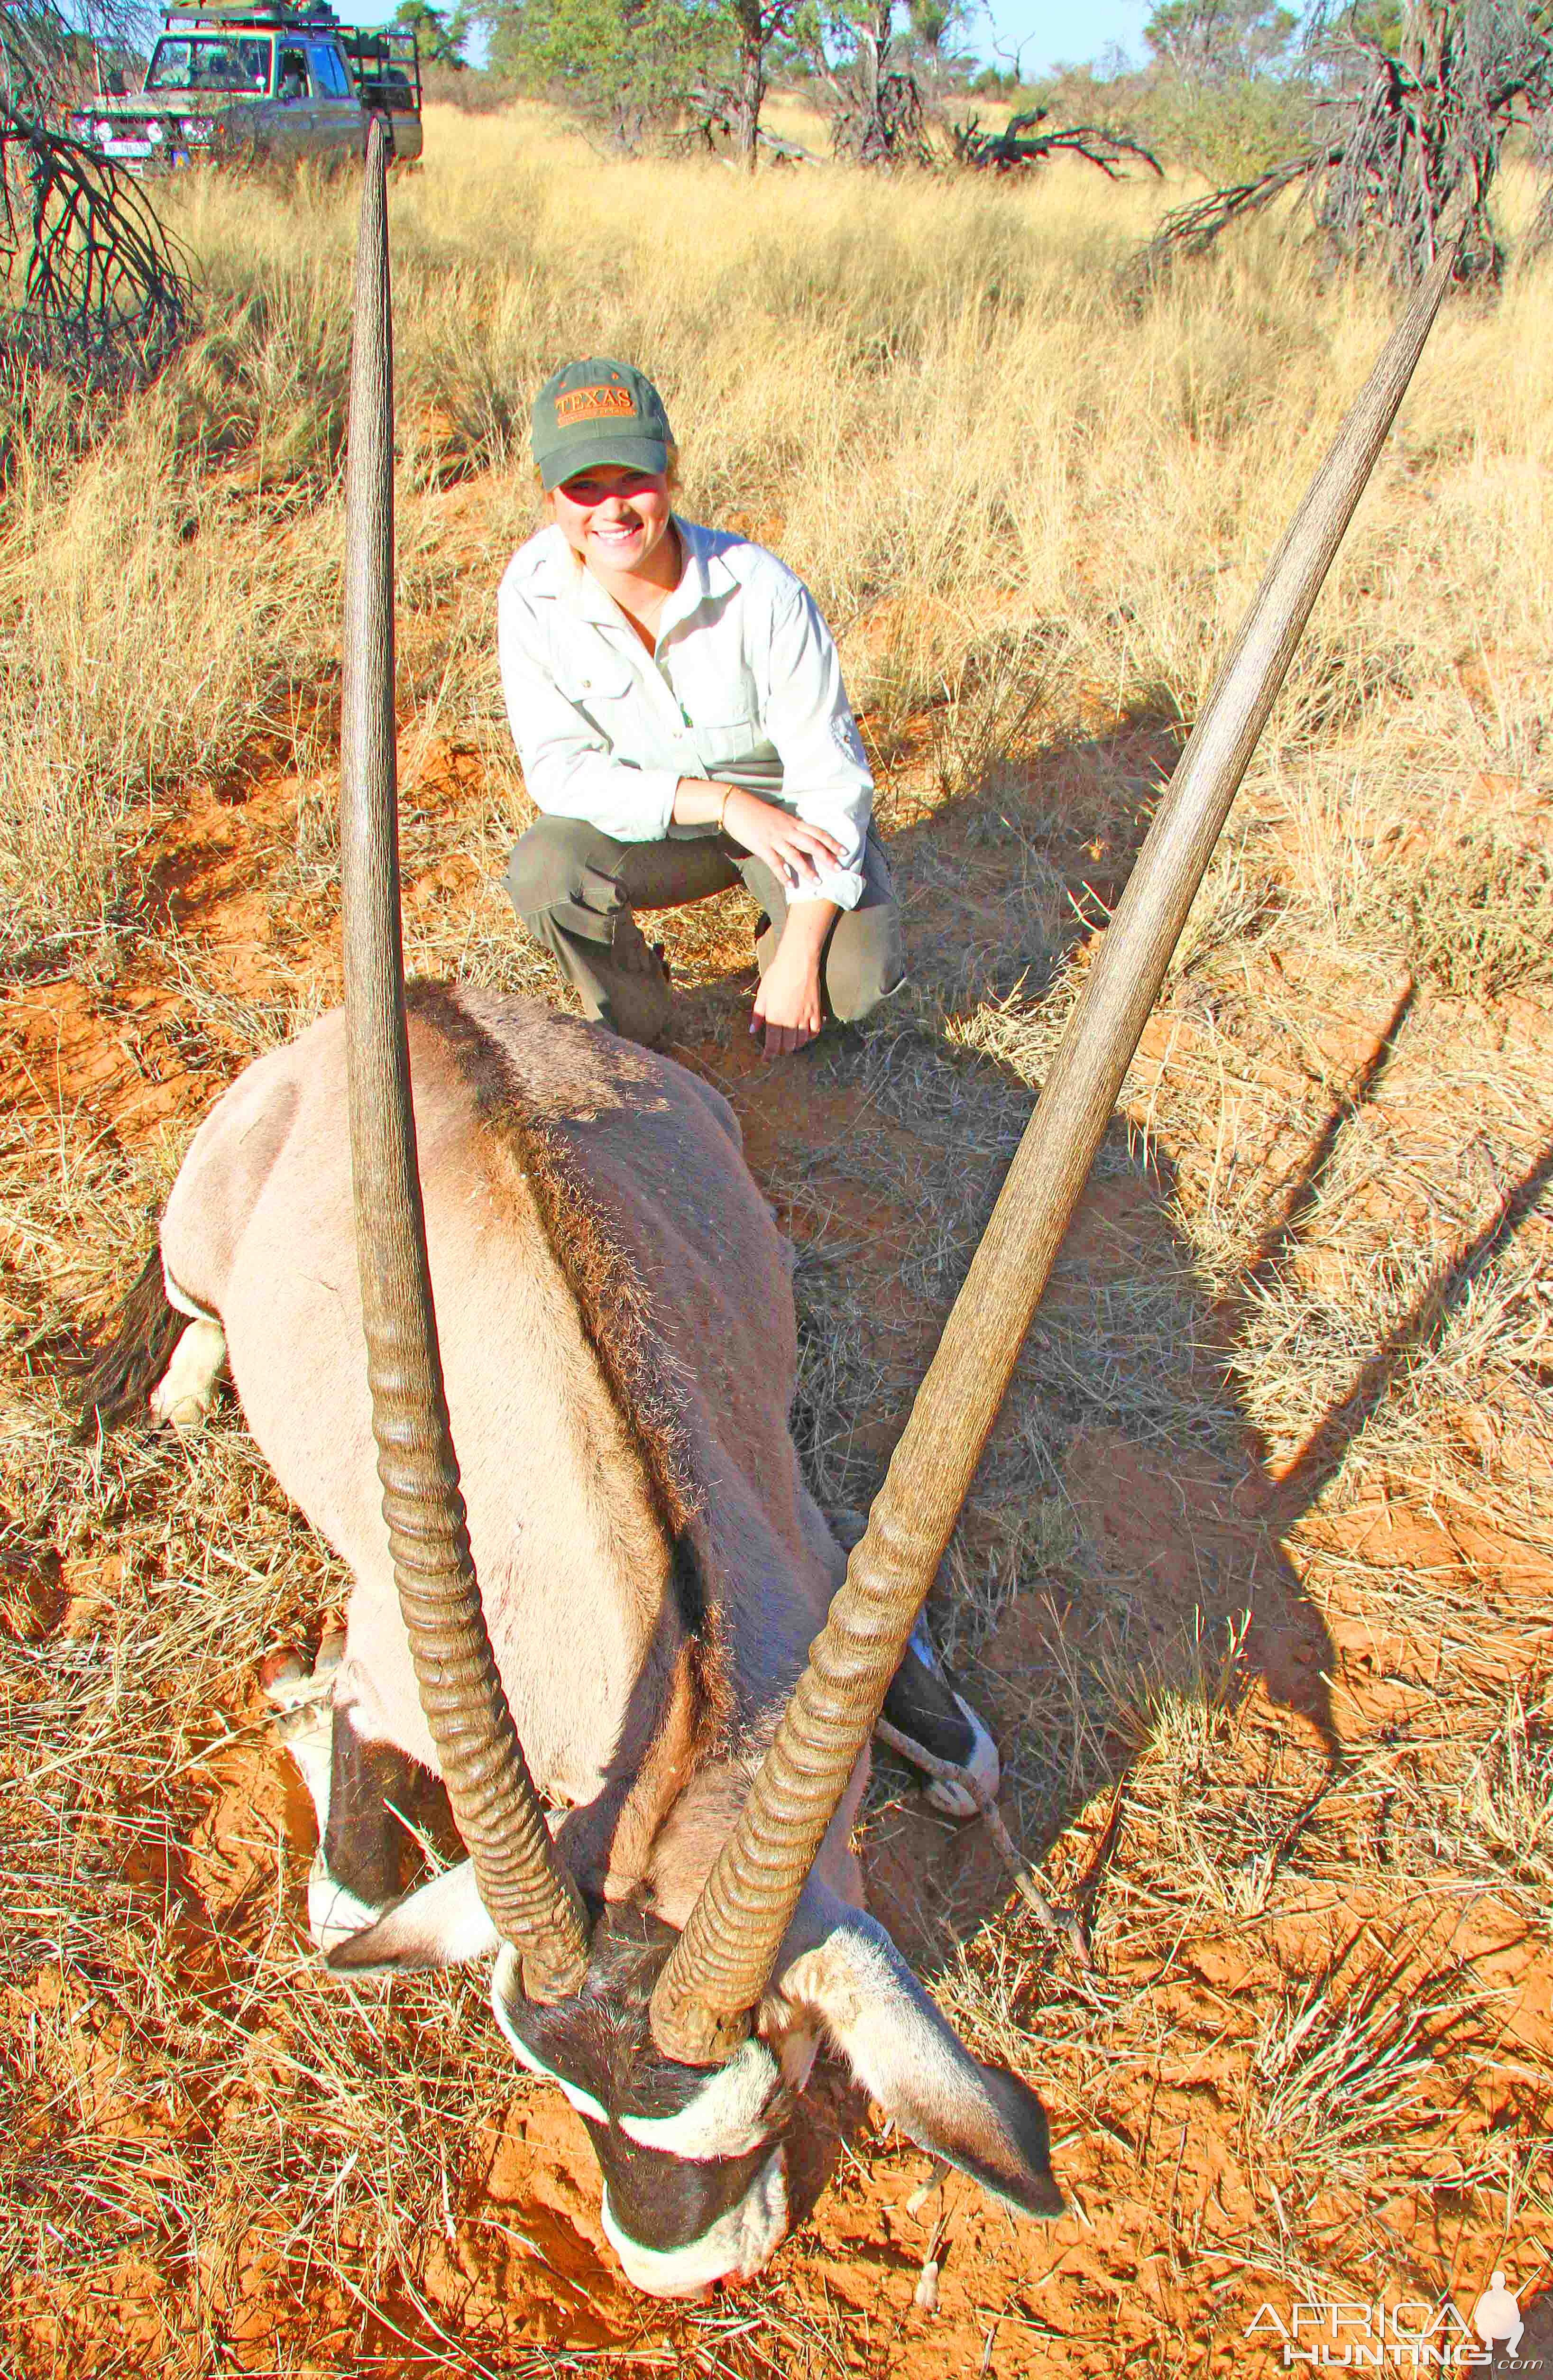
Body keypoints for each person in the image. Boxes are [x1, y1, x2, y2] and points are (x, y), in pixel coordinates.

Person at [499, 358, 905, 1055]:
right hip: (658, 820)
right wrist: (718, 802)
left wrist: (798, 957)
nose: (612, 509)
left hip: (785, 815)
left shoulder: (762, 590)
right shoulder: (531, 592)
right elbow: (560, 772)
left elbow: (831, 782)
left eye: (634, 480)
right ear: (550, 496)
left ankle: (782, 933)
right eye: (584, 487)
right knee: (546, 873)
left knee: (853, 986)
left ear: (672, 473)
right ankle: (639, 1015)